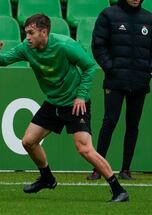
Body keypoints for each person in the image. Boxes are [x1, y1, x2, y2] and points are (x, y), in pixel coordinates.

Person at [0, 14, 129, 202]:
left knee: (84, 149)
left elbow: (89, 67)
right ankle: (47, 178)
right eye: (26, 33)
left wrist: (81, 96)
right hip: (53, 102)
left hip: (75, 104)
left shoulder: (65, 45)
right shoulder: (26, 48)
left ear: (44, 32)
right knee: (28, 142)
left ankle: (118, 190)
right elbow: (2, 61)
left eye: (31, 33)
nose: (27, 37)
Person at [86, 0, 152, 180]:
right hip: (115, 81)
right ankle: (97, 169)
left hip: (140, 80)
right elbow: (98, 45)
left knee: (133, 126)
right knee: (109, 122)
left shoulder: (149, 18)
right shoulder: (108, 15)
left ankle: (126, 169)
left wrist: (149, 71)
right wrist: (111, 68)